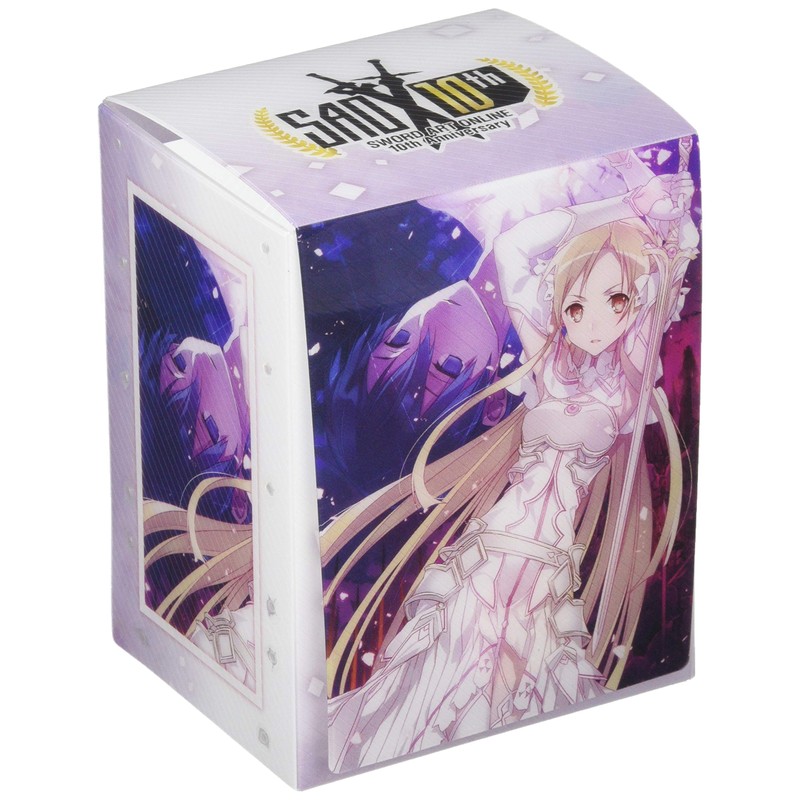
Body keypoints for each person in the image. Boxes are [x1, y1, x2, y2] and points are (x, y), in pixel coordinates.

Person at [323, 165, 697, 772]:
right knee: (436, 678)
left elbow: (674, 256)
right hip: (492, 549)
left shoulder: (626, 391)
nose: (592, 321)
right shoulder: (549, 364)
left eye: (616, 302)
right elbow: (514, 247)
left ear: (635, 307)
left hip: (545, 565)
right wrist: (619, 205)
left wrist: (651, 217)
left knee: (517, 688)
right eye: (575, 304)